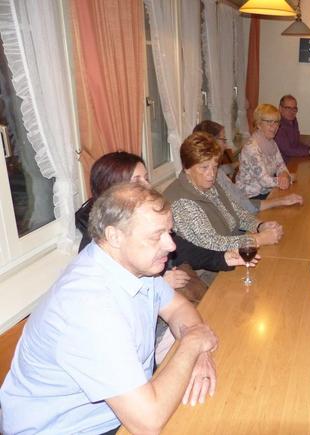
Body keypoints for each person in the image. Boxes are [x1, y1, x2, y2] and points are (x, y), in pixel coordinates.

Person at [0, 183, 219, 434]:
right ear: (114, 236)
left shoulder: (134, 267)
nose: (171, 246)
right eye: (156, 236)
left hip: (124, 410)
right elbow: (147, 422)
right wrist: (192, 344)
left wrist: (200, 353)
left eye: (169, 232)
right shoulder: (89, 306)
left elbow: (178, 308)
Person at [74, 152, 250, 286]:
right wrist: (159, 282)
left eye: (146, 179)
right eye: (137, 181)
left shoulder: (141, 217)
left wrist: (222, 258)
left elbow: (182, 248)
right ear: (112, 188)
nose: (147, 186)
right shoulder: (96, 246)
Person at [165, 132, 283, 252]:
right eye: (204, 167)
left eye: (215, 167)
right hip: (216, 260)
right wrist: (258, 239)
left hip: (234, 248)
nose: (211, 174)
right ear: (187, 168)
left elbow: (237, 213)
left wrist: (259, 226)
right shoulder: (182, 202)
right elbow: (211, 243)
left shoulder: (210, 185)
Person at [193, 120, 303, 213]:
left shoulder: (272, 143)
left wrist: (235, 164)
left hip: (247, 203)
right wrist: (280, 200)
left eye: (276, 123)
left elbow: (280, 164)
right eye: (223, 140)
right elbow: (242, 206)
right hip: (250, 200)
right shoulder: (212, 176)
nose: (226, 145)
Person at [236, 104, 291, 200]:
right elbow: (264, 181)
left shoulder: (272, 143)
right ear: (258, 124)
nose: (274, 126)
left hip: (266, 192)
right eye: (269, 122)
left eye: (276, 122)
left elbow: (281, 166)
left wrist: (285, 175)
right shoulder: (251, 147)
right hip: (249, 197)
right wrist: (285, 180)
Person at [274, 94, 310, 163]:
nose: (292, 111)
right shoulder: (277, 124)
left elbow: (296, 144)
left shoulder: (293, 121)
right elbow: (287, 150)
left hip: (294, 161)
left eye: (294, 108)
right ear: (280, 108)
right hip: (281, 165)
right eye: (288, 108)